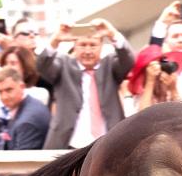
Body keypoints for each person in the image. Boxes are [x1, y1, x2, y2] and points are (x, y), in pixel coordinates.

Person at [37, 19, 134, 149]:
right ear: (74, 46)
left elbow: (128, 59)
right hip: (68, 144)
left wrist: (112, 34)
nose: (88, 51)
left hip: (108, 144)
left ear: (101, 47)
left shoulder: (110, 65)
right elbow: (42, 65)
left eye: (93, 45)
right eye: (82, 45)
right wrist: (56, 40)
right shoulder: (63, 65)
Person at [0, 67, 51, 176]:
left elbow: (20, 170)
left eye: (9, 90)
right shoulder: (27, 105)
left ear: (22, 86)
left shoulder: (27, 121)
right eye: (0, 92)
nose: (4, 97)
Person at [126, 45, 182, 111]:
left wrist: (173, 89)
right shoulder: (139, 95)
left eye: (164, 61)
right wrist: (150, 81)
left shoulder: (175, 82)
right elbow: (144, 114)